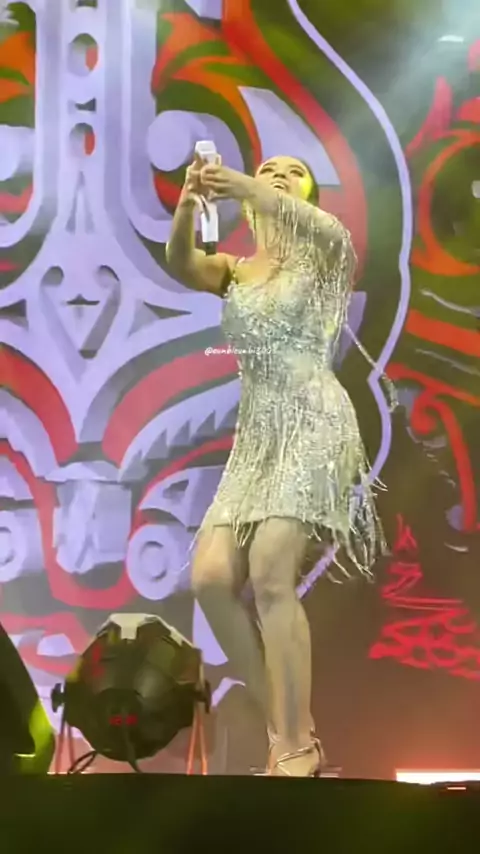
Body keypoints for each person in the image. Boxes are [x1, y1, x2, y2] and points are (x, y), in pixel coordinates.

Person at [166, 153, 388, 777]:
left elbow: (319, 226)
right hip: (257, 436)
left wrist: (241, 182)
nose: (280, 174)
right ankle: (288, 732)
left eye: (295, 172)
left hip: (314, 420)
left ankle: (294, 748)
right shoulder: (235, 270)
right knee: (211, 578)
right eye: (268, 168)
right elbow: (181, 262)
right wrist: (187, 204)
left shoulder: (324, 250)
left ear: (307, 196)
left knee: (269, 571)